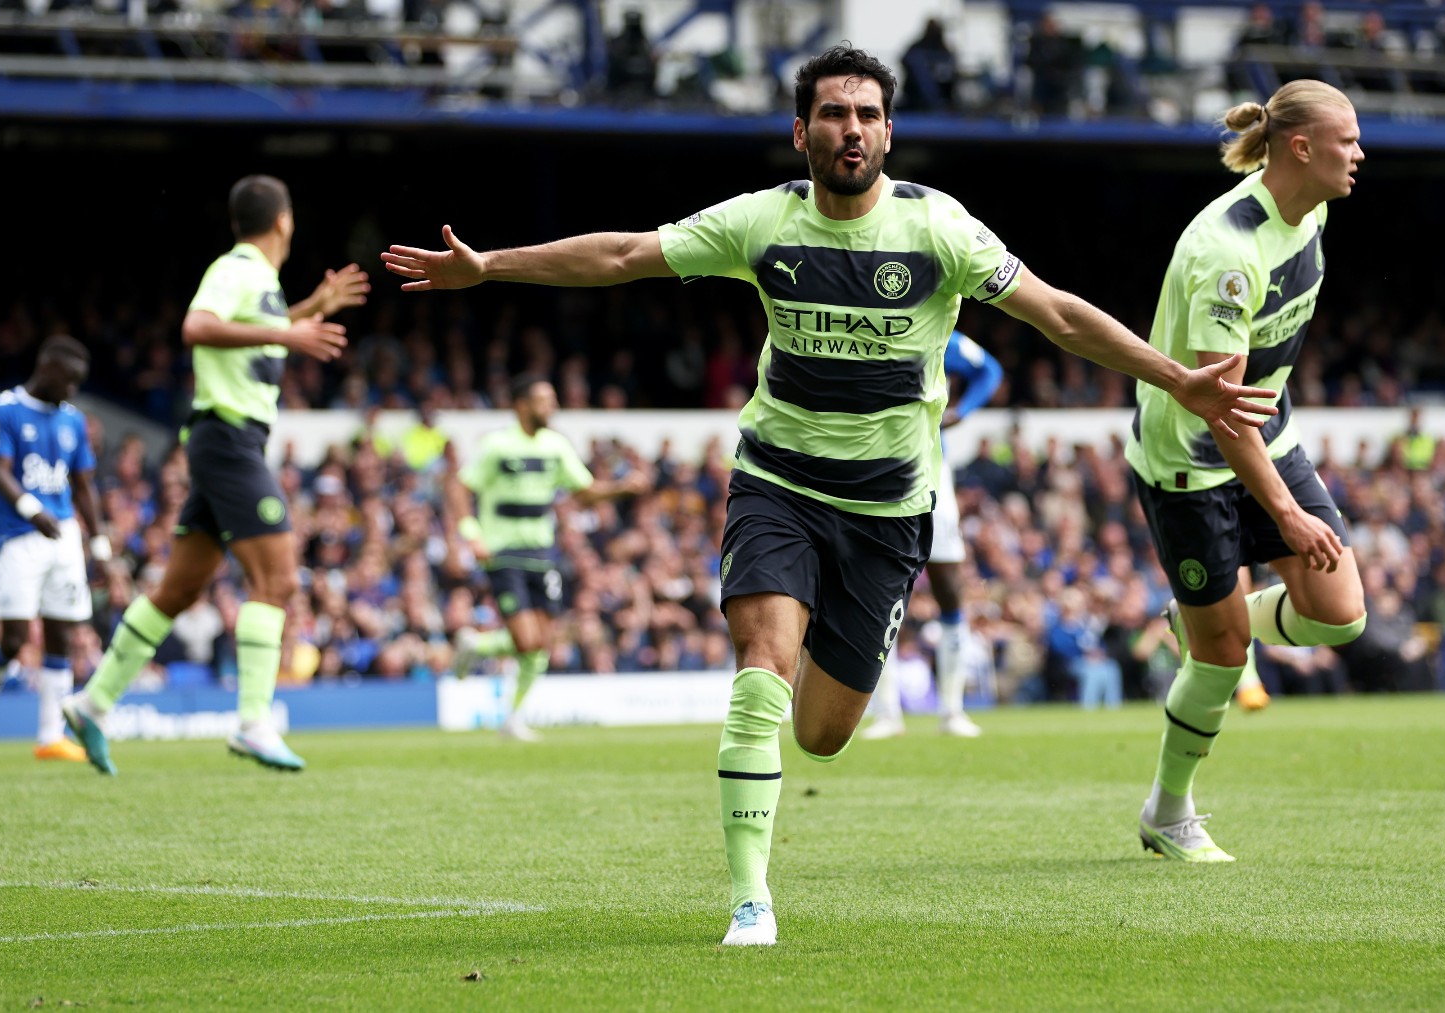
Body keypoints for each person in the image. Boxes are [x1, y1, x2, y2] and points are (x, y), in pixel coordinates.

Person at [382, 45, 1277, 946]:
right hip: (779, 482)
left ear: (888, 132)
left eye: (866, 115)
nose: (850, 129)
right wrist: (489, 265)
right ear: (801, 129)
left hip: (889, 512)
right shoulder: (761, 222)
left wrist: (1177, 379)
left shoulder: (940, 230)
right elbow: (623, 254)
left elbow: (1057, 313)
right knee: (760, 673)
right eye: (834, 113)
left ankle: (804, 703)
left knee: (821, 733)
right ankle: (749, 898)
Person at [1126, 80, 1368, 863]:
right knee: (1225, 659)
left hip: (1271, 432)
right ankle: (1169, 809)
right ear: (1302, 148)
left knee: (1340, 611)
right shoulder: (1226, 253)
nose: (1360, 154)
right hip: (1190, 462)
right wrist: (1289, 516)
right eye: (1349, 140)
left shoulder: (1313, 210)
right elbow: (1217, 412)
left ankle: (1193, 618)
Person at [62, 175, 365, 776]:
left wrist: (307, 310)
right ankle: (254, 722)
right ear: (283, 220)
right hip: (228, 439)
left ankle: (91, 704)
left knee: (178, 590)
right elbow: (198, 327)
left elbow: (244, 341)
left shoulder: (264, 284)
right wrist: (287, 328)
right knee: (277, 580)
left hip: (223, 441)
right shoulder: (239, 269)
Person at [449, 376, 649, 741]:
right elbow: (460, 487)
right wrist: (470, 534)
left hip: (542, 554)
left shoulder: (556, 446)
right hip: (503, 553)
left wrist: (620, 488)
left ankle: (507, 707)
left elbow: (584, 493)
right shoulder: (497, 445)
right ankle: (478, 648)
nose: (551, 406)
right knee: (527, 641)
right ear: (521, 405)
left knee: (542, 643)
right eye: (544, 400)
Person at [0, 337, 107, 764]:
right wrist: (30, 508)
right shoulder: (5, 409)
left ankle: (49, 736)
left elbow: (83, 485)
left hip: (63, 538)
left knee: (62, 634)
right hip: (19, 537)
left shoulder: (73, 420)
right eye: (71, 381)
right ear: (49, 368)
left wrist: (99, 542)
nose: (73, 390)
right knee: (15, 638)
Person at [863, 329, 1004, 738]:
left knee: (947, 584)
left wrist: (963, 410)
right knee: (878, 588)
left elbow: (989, 370)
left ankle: (952, 711)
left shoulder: (942, 333)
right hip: (876, 467)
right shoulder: (868, 324)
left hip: (931, 467)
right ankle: (887, 712)